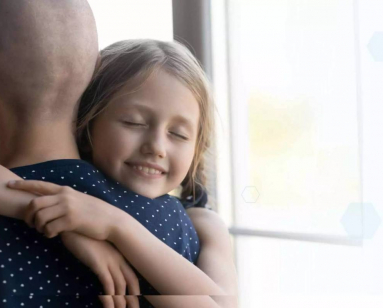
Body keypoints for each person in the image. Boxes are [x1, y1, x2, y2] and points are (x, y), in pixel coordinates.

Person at [0, 1, 237, 308]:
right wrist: (69, 226)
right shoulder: (174, 224)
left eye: (178, 134)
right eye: (133, 123)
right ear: (92, 108)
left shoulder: (196, 223)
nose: (156, 147)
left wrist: (116, 226)